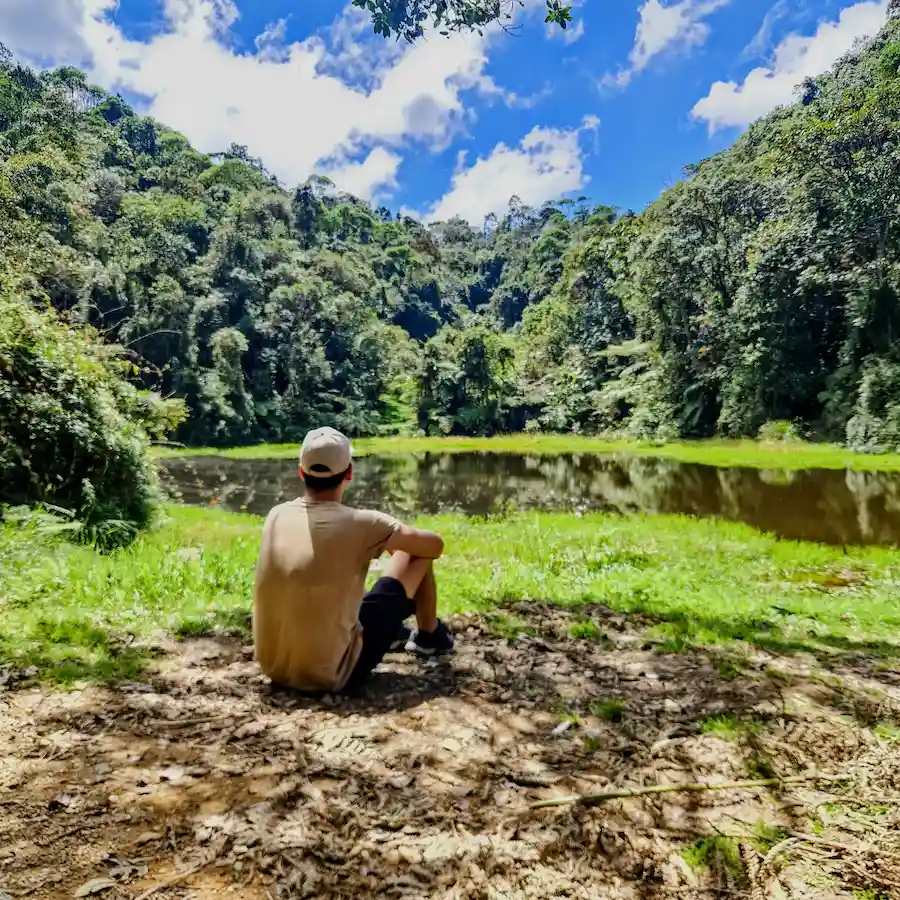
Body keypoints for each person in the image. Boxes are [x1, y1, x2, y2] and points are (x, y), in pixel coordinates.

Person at [252, 426, 454, 693]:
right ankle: (429, 635)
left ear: (301, 472)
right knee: (417, 551)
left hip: (275, 668)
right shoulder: (362, 522)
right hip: (332, 673)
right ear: (349, 473)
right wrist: (390, 537)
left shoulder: (276, 515)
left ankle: (408, 634)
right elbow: (434, 546)